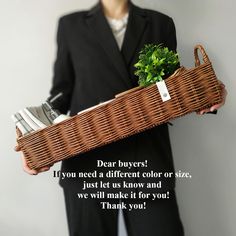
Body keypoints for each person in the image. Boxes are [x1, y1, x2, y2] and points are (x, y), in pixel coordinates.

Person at [15, 0, 227, 235]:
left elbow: (173, 92)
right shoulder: (70, 26)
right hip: (87, 167)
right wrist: (35, 139)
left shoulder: (160, 24)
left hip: (147, 163)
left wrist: (207, 94)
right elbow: (60, 94)